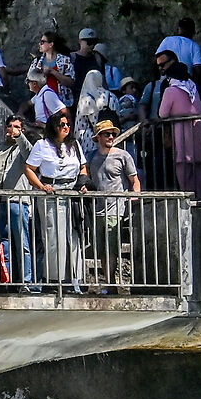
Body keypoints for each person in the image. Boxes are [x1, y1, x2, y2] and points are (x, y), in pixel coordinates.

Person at [25, 110, 85, 284]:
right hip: (51, 192)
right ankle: (55, 279)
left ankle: (76, 279)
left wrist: (82, 183)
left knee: (74, 236)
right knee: (54, 236)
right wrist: (42, 186)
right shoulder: (42, 145)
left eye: (68, 124)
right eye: (62, 125)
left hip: (72, 192)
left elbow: (83, 167)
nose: (66, 127)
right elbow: (29, 169)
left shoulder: (75, 145)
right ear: (54, 127)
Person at [86, 117, 142, 288]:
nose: (110, 137)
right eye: (107, 134)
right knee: (102, 250)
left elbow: (135, 179)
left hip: (116, 208)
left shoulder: (123, 155)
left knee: (112, 248)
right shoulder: (91, 157)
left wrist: (135, 196)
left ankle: (111, 284)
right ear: (99, 137)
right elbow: (88, 179)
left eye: (112, 134)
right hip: (97, 208)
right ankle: (109, 283)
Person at [0, 112, 37, 285]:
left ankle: (26, 281)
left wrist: (20, 137)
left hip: (18, 200)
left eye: (17, 127)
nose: (12, 130)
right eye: (10, 126)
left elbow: (29, 152)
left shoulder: (24, 149)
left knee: (23, 243)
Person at [159, 59, 201, 197]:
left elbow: (162, 113)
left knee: (183, 165)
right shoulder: (193, 87)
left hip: (182, 130)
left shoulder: (171, 90)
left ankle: (189, 196)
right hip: (200, 127)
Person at [74, 69, 112, 165]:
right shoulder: (111, 96)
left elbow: (83, 123)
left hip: (89, 139)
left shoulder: (85, 99)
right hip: (110, 137)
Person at [69, 28, 107, 93]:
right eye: (89, 42)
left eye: (94, 42)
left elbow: (103, 80)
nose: (92, 45)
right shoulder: (72, 58)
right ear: (80, 41)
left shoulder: (97, 59)